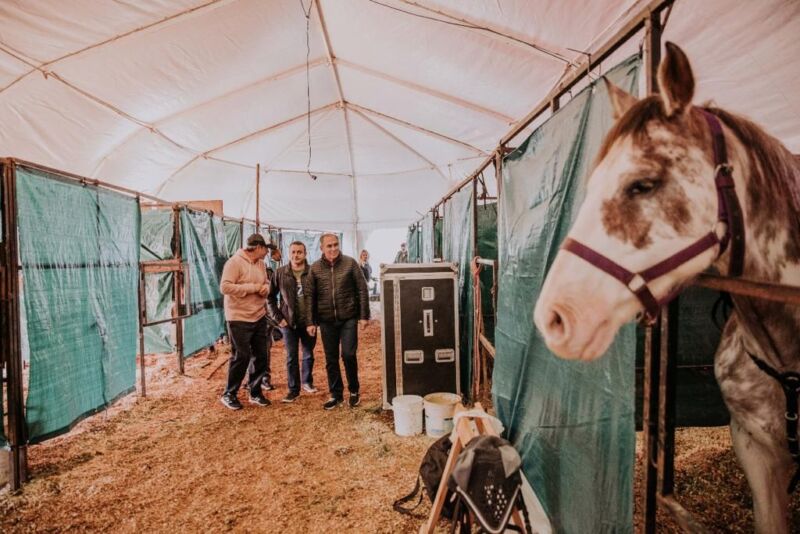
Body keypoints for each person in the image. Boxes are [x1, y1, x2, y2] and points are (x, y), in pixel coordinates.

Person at [307, 233, 370, 410]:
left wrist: (364, 316)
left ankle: (354, 391)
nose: (333, 248)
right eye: (329, 246)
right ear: (322, 248)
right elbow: (310, 296)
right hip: (326, 320)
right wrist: (310, 322)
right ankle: (335, 394)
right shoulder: (315, 268)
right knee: (331, 358)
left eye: (336, 245)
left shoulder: (350, 263)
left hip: (348, 317)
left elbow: (362, 289)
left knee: (348, 354)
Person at [219, 233, 275, 410]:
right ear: (258, 247)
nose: (267, 252)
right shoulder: (234, 263)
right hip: (238, 317)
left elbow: (266, 283)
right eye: (265, 248)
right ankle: (229, 393)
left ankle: (255, 391)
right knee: (241, 356)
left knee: (261, 356)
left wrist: (266, 288)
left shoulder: (261, 264)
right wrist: (253, 288)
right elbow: (225, 287)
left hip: (258, 315)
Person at [267, 240, 318, 403]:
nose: (296, 255)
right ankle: (293, 390)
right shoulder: (280, 273)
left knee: (308, 354)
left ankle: (307, 382)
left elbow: (319, 299)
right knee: (291, 357)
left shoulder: (313, 273)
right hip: (288, 323)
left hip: (308, 322)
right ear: (289, 254)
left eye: (299, 252)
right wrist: (278, 318)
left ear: (305, 254)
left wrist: (314, 321)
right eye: (293, 252)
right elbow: (270, 298)